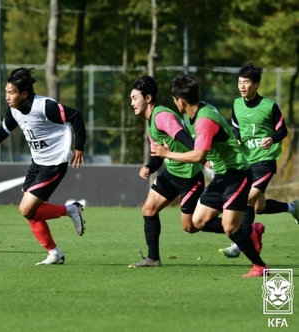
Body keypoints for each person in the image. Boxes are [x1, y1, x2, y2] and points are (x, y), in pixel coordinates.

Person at [0, 67, 86, 265]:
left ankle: (72, 210)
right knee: (30, 212)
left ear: (24, 94)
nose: (7, 97)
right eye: (6, 92)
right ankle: (54, 254)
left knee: (26, 209)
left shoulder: (44, 106)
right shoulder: (14, 110)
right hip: (37, 163)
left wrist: (79, 146)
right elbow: (2, 131)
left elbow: (75, 116)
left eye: (11, 93)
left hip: (55, 162)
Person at [151, 73, 268, 277]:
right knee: (197, 222)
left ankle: (260, 266)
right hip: (222, 176)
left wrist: (167, 153)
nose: (174, 103)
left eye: (174, 99)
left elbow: (198, 155)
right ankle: (249, 230)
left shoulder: (204, 119)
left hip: (237, 174)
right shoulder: (195, 112)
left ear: (181, 101)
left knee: (230, 227)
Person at [128, 76, 227, 268]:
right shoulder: (150, 122)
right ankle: (153, 258)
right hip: (172, 172)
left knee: (190, 226)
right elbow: (159, 154)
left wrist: (204, 158)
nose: (132, 103)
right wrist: (149, 167)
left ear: (147, 98)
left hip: (189, 176)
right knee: (148, 209)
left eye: (134, 98)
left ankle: (240, 226)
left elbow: (185, 138)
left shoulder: (162, 116)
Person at [219, 63, 298, 258]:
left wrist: (272, 138)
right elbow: (236, 127)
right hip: (246, 162)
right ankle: (293, 208)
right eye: (239, 82)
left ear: (257, 84)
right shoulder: (236, 104)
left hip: (265, 160)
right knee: (258, 207)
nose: (242, 86)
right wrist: (236, 137)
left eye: (246, 82)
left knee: (246, 200)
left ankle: (239, 244)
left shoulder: (269, 106)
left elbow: (283, 131)